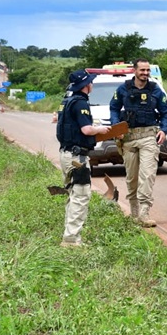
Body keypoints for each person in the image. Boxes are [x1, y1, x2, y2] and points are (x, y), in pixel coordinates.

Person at [109, 58, 167, 227]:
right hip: (129, 138)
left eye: (147, 70)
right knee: (132, 178)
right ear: (134, 71)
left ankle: (144, 213)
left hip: (148, 137)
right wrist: (117, 128)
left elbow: (166, 112)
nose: (145, 73)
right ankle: (134, 213)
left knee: (147, 175)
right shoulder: (123, 89)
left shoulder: (155, 90)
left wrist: (163, 130)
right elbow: (114, 108)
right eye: (142, 70)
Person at [56, 69, 111, 247]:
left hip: (66, 153)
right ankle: (71, 239)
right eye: (91, 82)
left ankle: (69, 234)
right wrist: (100, 129)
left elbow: (57, 119)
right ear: (87, 85)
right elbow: (86, 130)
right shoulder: (80, 103)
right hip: (77, 156)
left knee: (73, 194)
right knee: (80, 195)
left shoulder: (67, 101)